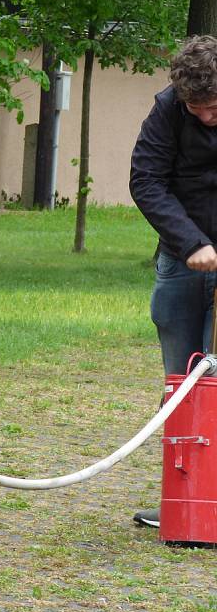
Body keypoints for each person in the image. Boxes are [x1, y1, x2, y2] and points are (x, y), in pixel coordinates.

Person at [130, 34, 217, 528]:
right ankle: (182, 499)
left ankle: (214, 497)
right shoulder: (167, 110)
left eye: (213, 106)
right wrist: (190, 243)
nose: (205, 116)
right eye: (196, 107)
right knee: (180, 387)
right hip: (181, 262)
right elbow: (145, 179)